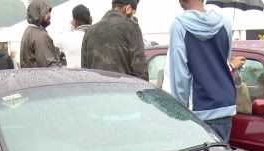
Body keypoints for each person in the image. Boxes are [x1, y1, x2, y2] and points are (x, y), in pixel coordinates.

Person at [164, 0, 237, 142]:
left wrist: (179, 114)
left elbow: (180, 76)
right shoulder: (226, 23)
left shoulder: (179, 25)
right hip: (225, 106)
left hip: (198, 110)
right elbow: (225, 62)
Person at [81, 0, 148, 80]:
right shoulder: (131, 28)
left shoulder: (89, 31)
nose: (132, 17)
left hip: (95, 87)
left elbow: (84, 70)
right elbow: (140, 71)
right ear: (128, 9)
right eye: (133, 13)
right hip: (123, 87)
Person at [21, 0, 64, 68]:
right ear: (37, 14)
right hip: (41, 74)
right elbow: (49, 65)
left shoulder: (28, 31)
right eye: (46, 12)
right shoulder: (40, 35)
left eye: (49, 12)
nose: (49, 15)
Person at [58, 4, 93, 69]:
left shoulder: (66, 37)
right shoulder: (97, 36)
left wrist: (70, 25)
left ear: (74, 21)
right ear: (90, 19)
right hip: (95, 74)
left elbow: (58, 42)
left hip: (74, 75)